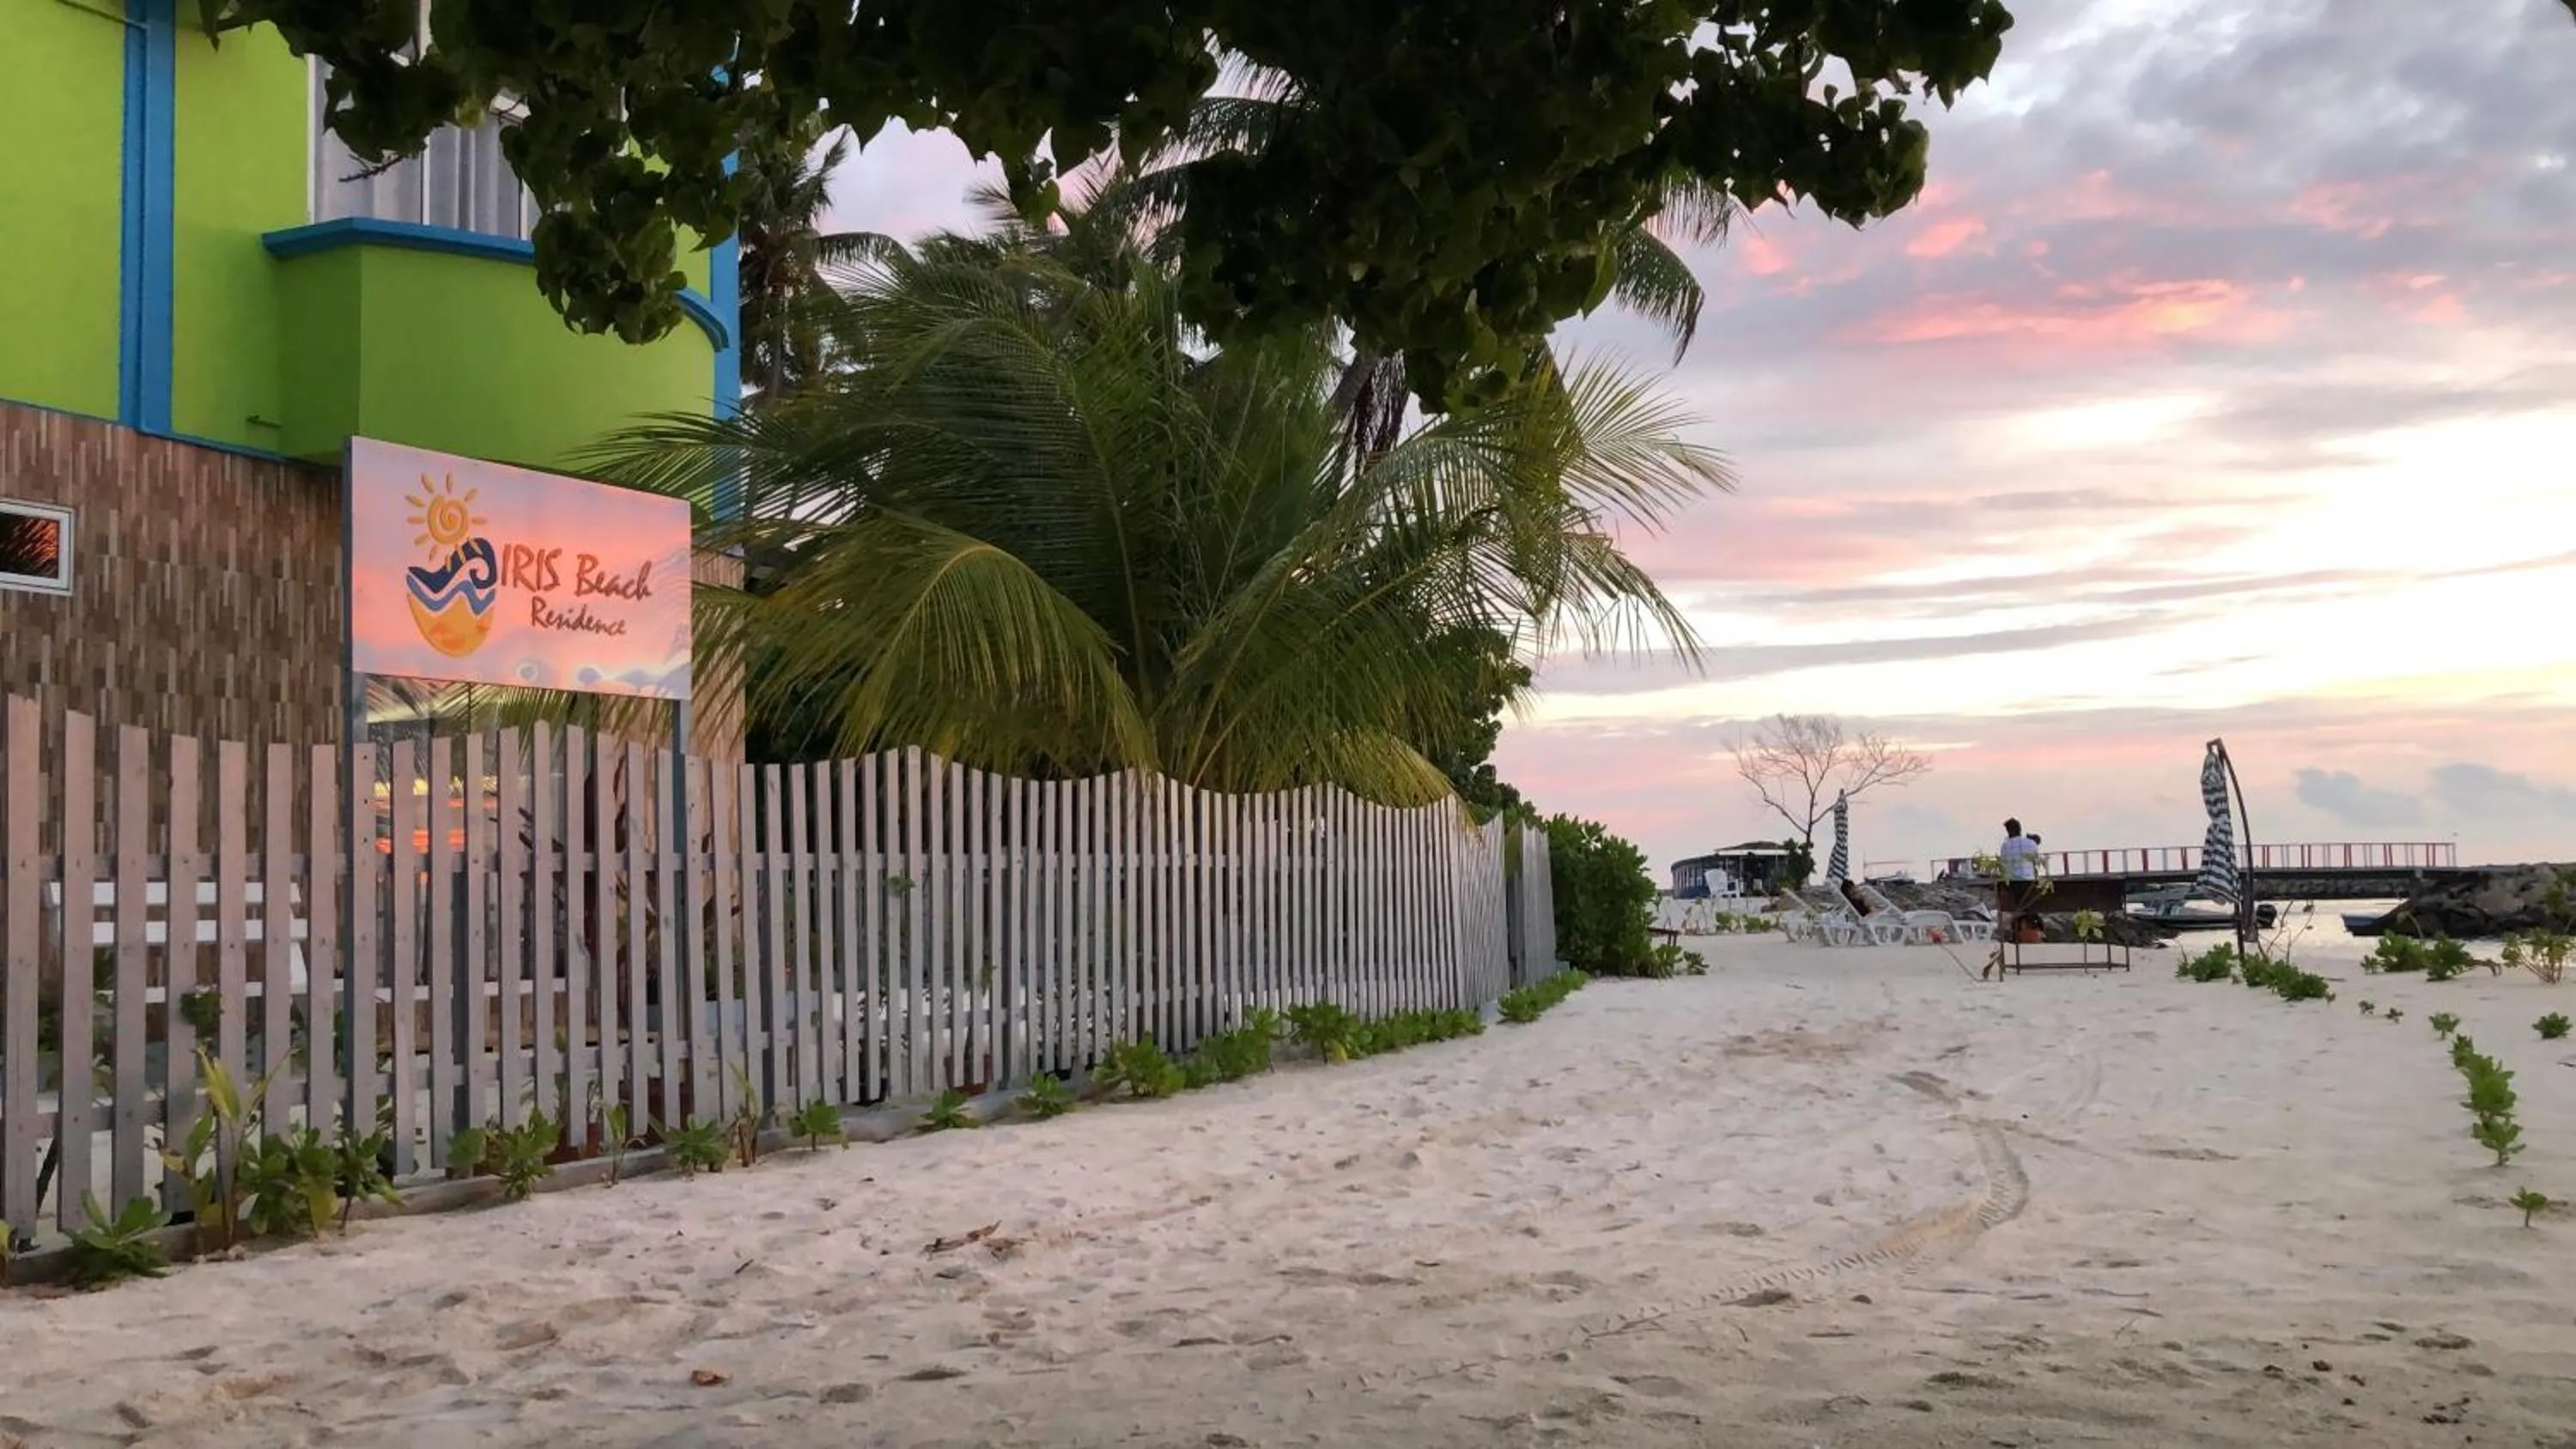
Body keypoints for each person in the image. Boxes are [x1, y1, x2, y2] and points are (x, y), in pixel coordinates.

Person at [1985, 819, 2044, 979]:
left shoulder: (2005, 846)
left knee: (2017, 906)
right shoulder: (2030, 844)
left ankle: (2019, 929)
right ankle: (2035, 927)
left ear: (2008, 832)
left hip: (2011, 887)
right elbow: (2036, 861)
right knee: (2030, 903)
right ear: (2020, 829)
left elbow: (2004, 865)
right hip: (2029, 885)